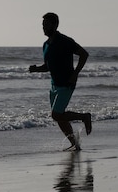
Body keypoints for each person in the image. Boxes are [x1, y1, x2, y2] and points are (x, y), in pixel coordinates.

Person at [29, 12, 92, 151]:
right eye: (43, 25)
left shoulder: (65, 41)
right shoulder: (46, 45)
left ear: (55, 25)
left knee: (57, 114)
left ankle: (85, 117)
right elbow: (48, 66)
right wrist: (36, 69)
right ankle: (75, 144)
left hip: (67, 83)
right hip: (54, 85)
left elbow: (84, 54)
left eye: (46, 25)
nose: (44, 28)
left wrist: (75, 74)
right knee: (59, 116)